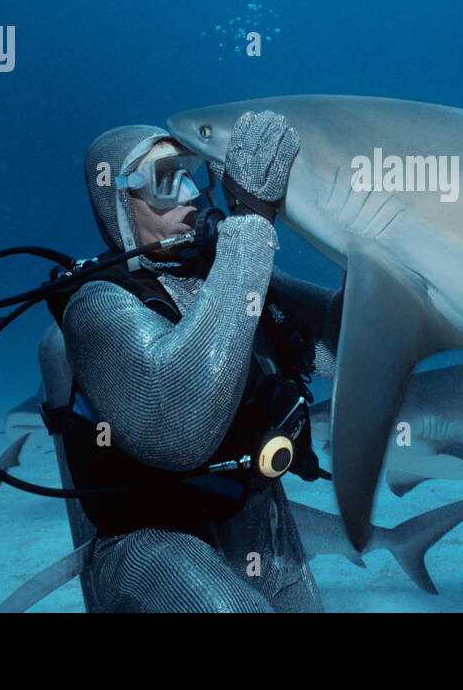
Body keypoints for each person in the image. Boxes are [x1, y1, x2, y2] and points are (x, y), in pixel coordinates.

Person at [57, 113, 341, 612]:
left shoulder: (233, 277)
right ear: (121, 206)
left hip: (257, 520)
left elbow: (346, 344)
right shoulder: (98, 306)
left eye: (195, 171)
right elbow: (178, 425)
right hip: (151, 544)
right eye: (166, 181)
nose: (191, 192)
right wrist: (251, 225)